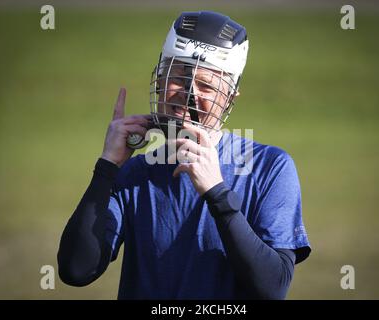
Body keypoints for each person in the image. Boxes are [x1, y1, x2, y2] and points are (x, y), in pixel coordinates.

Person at [57, 10, 311, 300]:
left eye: (205, 85)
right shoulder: (134, 173)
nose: (189, 94)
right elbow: (76, 270)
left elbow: (273, 288)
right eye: (178, 77)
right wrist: (107, 167)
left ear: (230, 97)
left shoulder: (269, 168)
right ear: (160, 79)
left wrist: (217, 194)